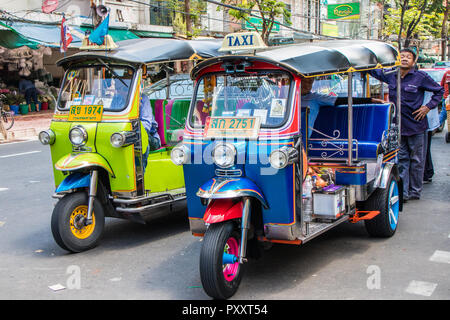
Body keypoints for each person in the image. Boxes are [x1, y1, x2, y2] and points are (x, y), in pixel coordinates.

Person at [369, 48, 444, 202]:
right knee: (402, 160)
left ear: (413, 61)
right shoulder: (391, 75)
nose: (404, 59)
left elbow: (439, 91)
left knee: (417, 160)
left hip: (417, 125)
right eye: (401, 56)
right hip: (398, 126)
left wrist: (427, 107)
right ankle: (404, 193)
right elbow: (373, 71)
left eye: (408, 57)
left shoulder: (420, 77)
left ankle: (415, 191)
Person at [300, 77, 374, 138]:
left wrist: (371, 100)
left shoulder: (315, 98)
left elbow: (340, 100)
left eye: (309, 82)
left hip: (303, 137)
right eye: (304, 81)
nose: (306, 85)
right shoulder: (291, 98)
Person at [140, 93, 161, 172]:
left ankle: (140, 175)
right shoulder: (117, 98)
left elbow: (146, 124)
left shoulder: (142, 98)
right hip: (128, 133)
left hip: (152, 138)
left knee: (141, 138)